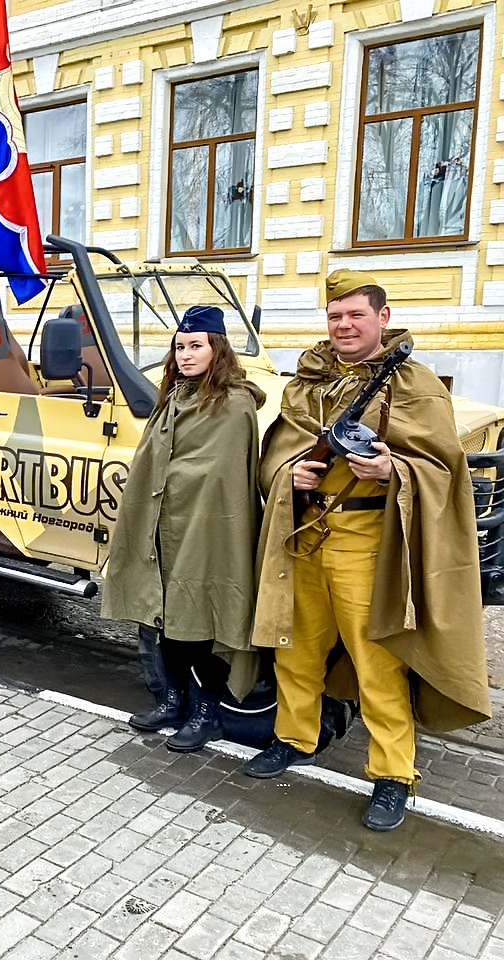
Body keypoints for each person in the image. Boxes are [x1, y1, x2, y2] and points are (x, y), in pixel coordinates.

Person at [243, 269, 491, 832]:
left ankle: (393, 775)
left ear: (381, 318)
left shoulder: (415, 384)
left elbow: (443, 469)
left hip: (368, 544)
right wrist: (290, 476)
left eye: (356, 315)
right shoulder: (306, 384)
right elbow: (272, 458)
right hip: (305, 539)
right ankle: (294, 739)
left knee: (379, 663)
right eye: (335, 316)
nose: (344, 325)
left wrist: (391, 469)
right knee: (294, 652)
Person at [101, 305, 265, 752]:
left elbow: (223, 475)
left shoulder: (234, 404)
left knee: (201, 622)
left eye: (196, 346)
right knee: (164, 617)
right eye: (180, 347)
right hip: (163, 525)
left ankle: (206, 712)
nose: (186, 355)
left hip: (207, 532)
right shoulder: (174, 397)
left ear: (218, 349)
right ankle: (173, 701)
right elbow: (152, 461)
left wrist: (174, 481)